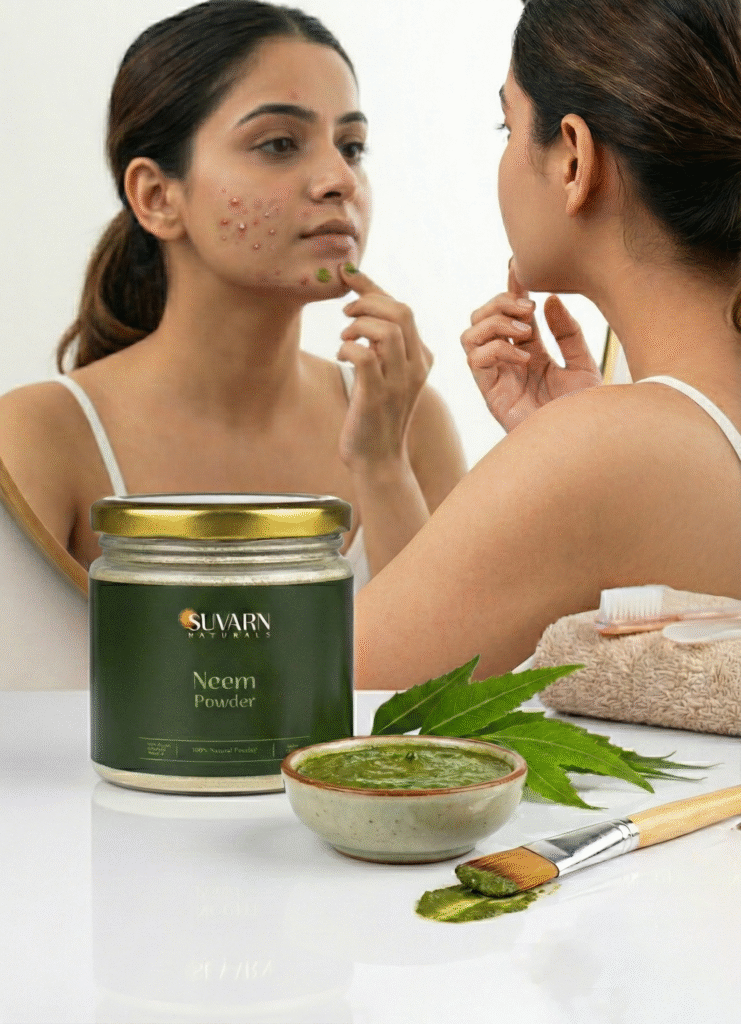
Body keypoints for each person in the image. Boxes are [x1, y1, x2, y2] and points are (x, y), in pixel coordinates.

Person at [0, 0, 465, 588]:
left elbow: (454, 650)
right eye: (279, 143)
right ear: (157, 197)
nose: (341, 180)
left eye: (351, 147)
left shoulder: (411, 424)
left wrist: (384, 465)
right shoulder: (37, 437)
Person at [355, 0, 741, 687]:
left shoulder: (602, 452)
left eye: (506, 125)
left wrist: (571, 450)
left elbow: (305, 703)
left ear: (572, 159)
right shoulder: (627, 442)